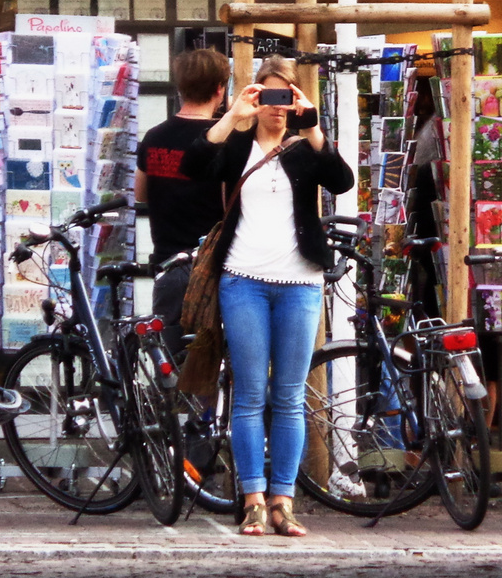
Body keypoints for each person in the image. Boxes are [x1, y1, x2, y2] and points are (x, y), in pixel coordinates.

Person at [182, 55, 352, 537]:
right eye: (269, 96)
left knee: (291, 396)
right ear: (257, 97)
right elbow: (194, 164)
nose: (277, 107)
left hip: (299, 283)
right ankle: (253, 499)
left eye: (286, 96)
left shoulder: (304, 148)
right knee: (251, 395)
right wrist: (232, 117)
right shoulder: (237, 145)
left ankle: (284, 501)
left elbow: (341, 180)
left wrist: (313, 124)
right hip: (244, 281)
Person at [135, 48, 230, 356]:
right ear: (220, 89)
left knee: (174, 367)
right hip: (214, 265)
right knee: (215, 365)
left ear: (180, 88)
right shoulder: (222, 141)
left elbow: (140, 194)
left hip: (168, 264)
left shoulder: (153, 137)